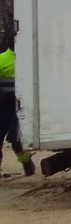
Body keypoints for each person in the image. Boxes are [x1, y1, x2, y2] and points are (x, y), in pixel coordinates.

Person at [0, 35, 35, 177]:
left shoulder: (1, 59)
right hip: (19, 108)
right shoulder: (27, 60)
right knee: (17, 141)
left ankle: (27, 163)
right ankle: (27, 164)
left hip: (2, 108)